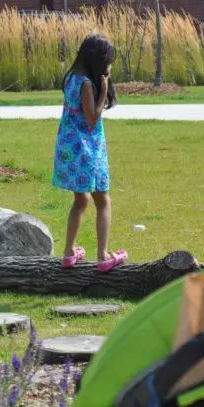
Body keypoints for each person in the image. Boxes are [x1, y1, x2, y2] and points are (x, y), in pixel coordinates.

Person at [52, 34, 126, 273]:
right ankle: (103, 255)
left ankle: (68, 252)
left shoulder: (71, 78)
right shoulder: (85, 83)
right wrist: (103, 91)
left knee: (80, 200)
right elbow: (92, 119)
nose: (109, 66)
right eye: (108, 60)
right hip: (86, 150)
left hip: (70, 148)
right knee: (103, 201)